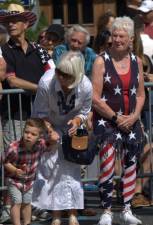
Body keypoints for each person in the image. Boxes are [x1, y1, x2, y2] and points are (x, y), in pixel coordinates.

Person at [0, 3, 54, 223]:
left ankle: (34, 206)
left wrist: (42, 88)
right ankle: (8, 208)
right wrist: (40, 88)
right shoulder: (3, 49)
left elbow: (52, 74)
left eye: (15, 20)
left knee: (38, 163)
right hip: (13, 114)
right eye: (7, 21)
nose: (11, 24)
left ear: (25, 24)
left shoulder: (40, 50)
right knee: (14, 162)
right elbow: (11, 79)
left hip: (37, 116)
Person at [92, 16, 145, 225]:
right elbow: (95, 98)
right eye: (114, 35)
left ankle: (127, 209)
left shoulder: (137, 61)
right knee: (106, 166)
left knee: (131, 164)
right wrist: (116, 117)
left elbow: (141, 94)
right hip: (107, 121)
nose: (117, 39)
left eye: (122, 36)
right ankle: (106, 210)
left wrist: (134, 116)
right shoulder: (100, 60)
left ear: (131, 39)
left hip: (131, 122)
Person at [32, 51, 92, 225]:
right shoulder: (45, 83)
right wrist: (51, 131)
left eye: (67, 75)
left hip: (71, 130)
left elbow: (85, 111)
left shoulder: (86, 86)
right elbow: (39, 113)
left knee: (72, 172)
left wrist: (77, 120)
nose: (61, 77)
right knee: (52, 171)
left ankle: (73, 213)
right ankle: (56, 215)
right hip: (50, 125)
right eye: (59, 72)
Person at [3, 118, 59, 225]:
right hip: (14, 180)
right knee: (17, 201)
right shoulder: (13, 148)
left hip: (29, 181)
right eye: (26, 132)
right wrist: (15, 170)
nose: (28, 136)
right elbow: (5, 162)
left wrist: (51, 132)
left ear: (39, 137)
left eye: (33, 134)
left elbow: (52, 143)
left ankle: (27, 223)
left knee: (27, 203)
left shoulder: (40, 145)